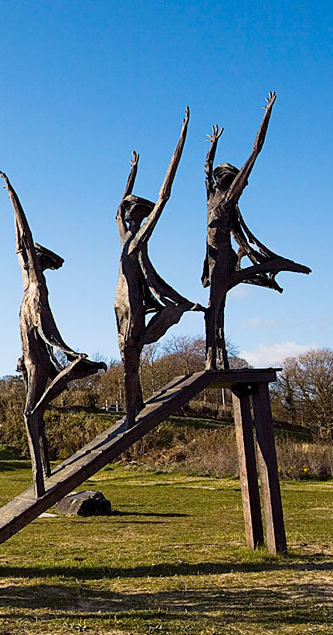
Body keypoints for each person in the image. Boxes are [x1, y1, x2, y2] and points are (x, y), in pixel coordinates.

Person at [1, 171, 105, 494]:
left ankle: (39, 481)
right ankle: (43, 471)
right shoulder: (26, 287)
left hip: (42, 363)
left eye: (30, 258)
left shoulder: (37, 290)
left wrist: (13, 198)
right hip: (31, 362)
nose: (24, 259)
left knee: (30, 414)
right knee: (35, 414)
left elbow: (47, 329)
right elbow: (20, 243)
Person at [202, 92, 309, 369]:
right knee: (214, 309)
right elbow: (204, 168)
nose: (216, 176)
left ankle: (216, 361)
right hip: (212, 258)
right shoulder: (212, 196)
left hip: (224, 258)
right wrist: (213, 146)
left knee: (216, 308)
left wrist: (267, 114)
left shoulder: (228, 199)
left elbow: (255, 152)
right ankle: (213, 359)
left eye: (220, 174)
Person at [115, 108, 202, 425]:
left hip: (129, 304)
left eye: (132, 212)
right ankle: (132, 410)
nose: (127, 216)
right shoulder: (127, 237)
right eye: (129, 212)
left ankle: (131, 413)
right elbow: (117, 211)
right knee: (129, 357)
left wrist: (181, 140)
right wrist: (133, 173)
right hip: (124, 305)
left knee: (131, 356)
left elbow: (163, 196)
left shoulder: (136, 239)